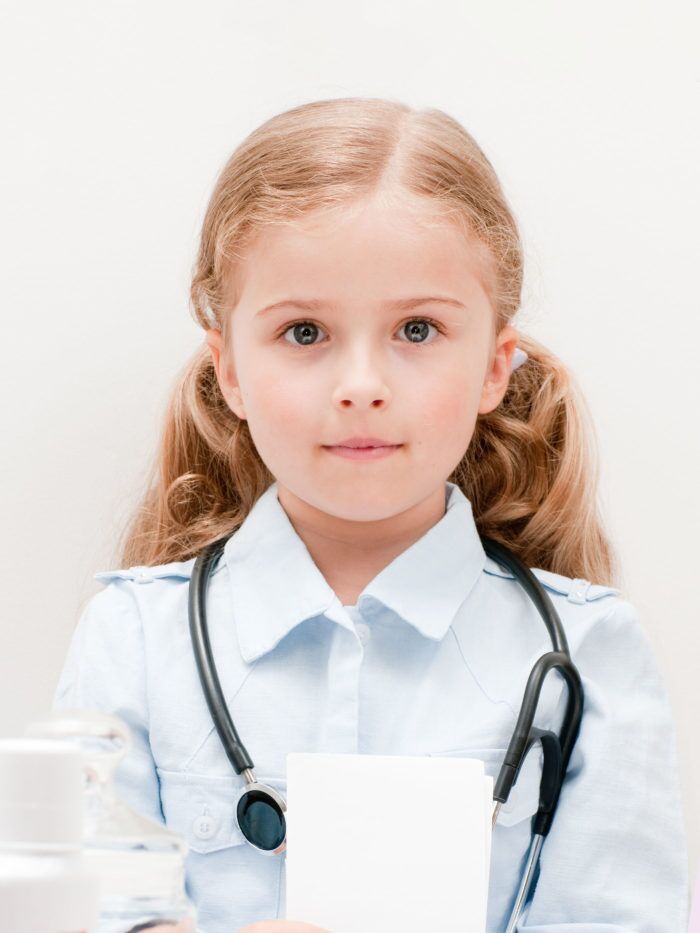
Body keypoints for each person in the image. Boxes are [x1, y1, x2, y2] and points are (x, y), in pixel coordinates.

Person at [52, 96, 689, 932]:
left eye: (417, 329)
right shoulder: (131, 641)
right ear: (231, 371)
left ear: (496, 367)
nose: (362, 383)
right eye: (305, 331)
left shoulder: (592, 656)